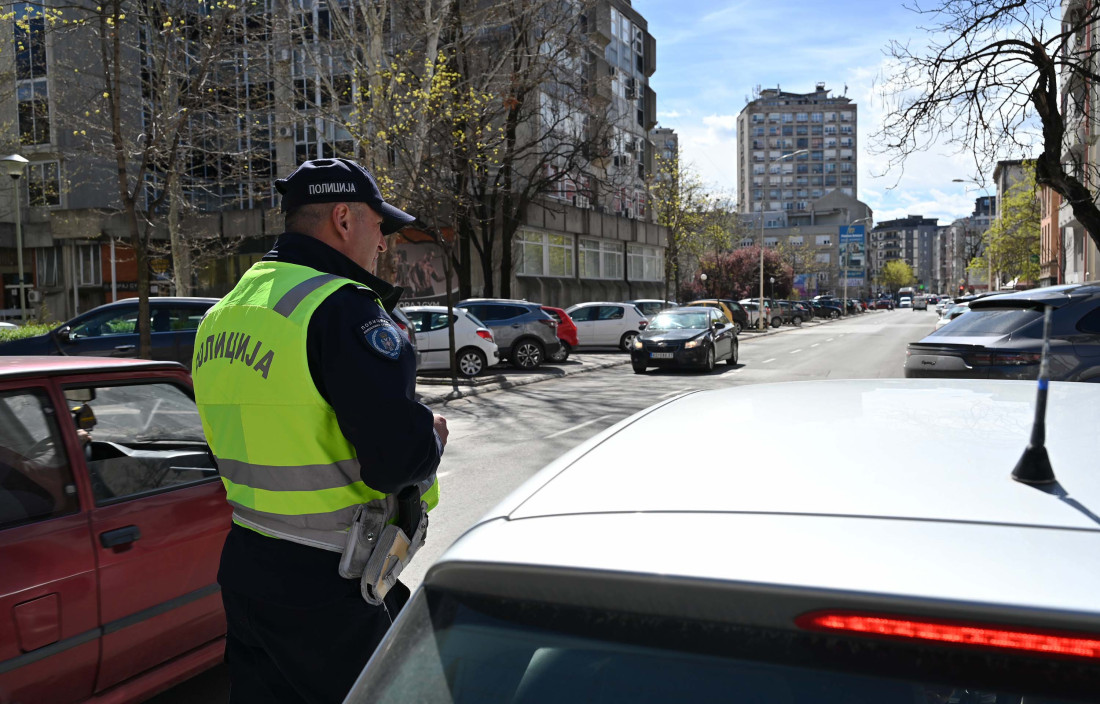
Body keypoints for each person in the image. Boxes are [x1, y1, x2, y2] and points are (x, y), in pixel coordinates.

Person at [191, 158, 448, 704]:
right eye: (380, 224)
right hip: (328, 583)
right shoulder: (341, 310)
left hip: (247, 563)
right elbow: (398, 460)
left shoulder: (224, 313)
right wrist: (432, 433)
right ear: (343, 218)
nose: (383, 241)